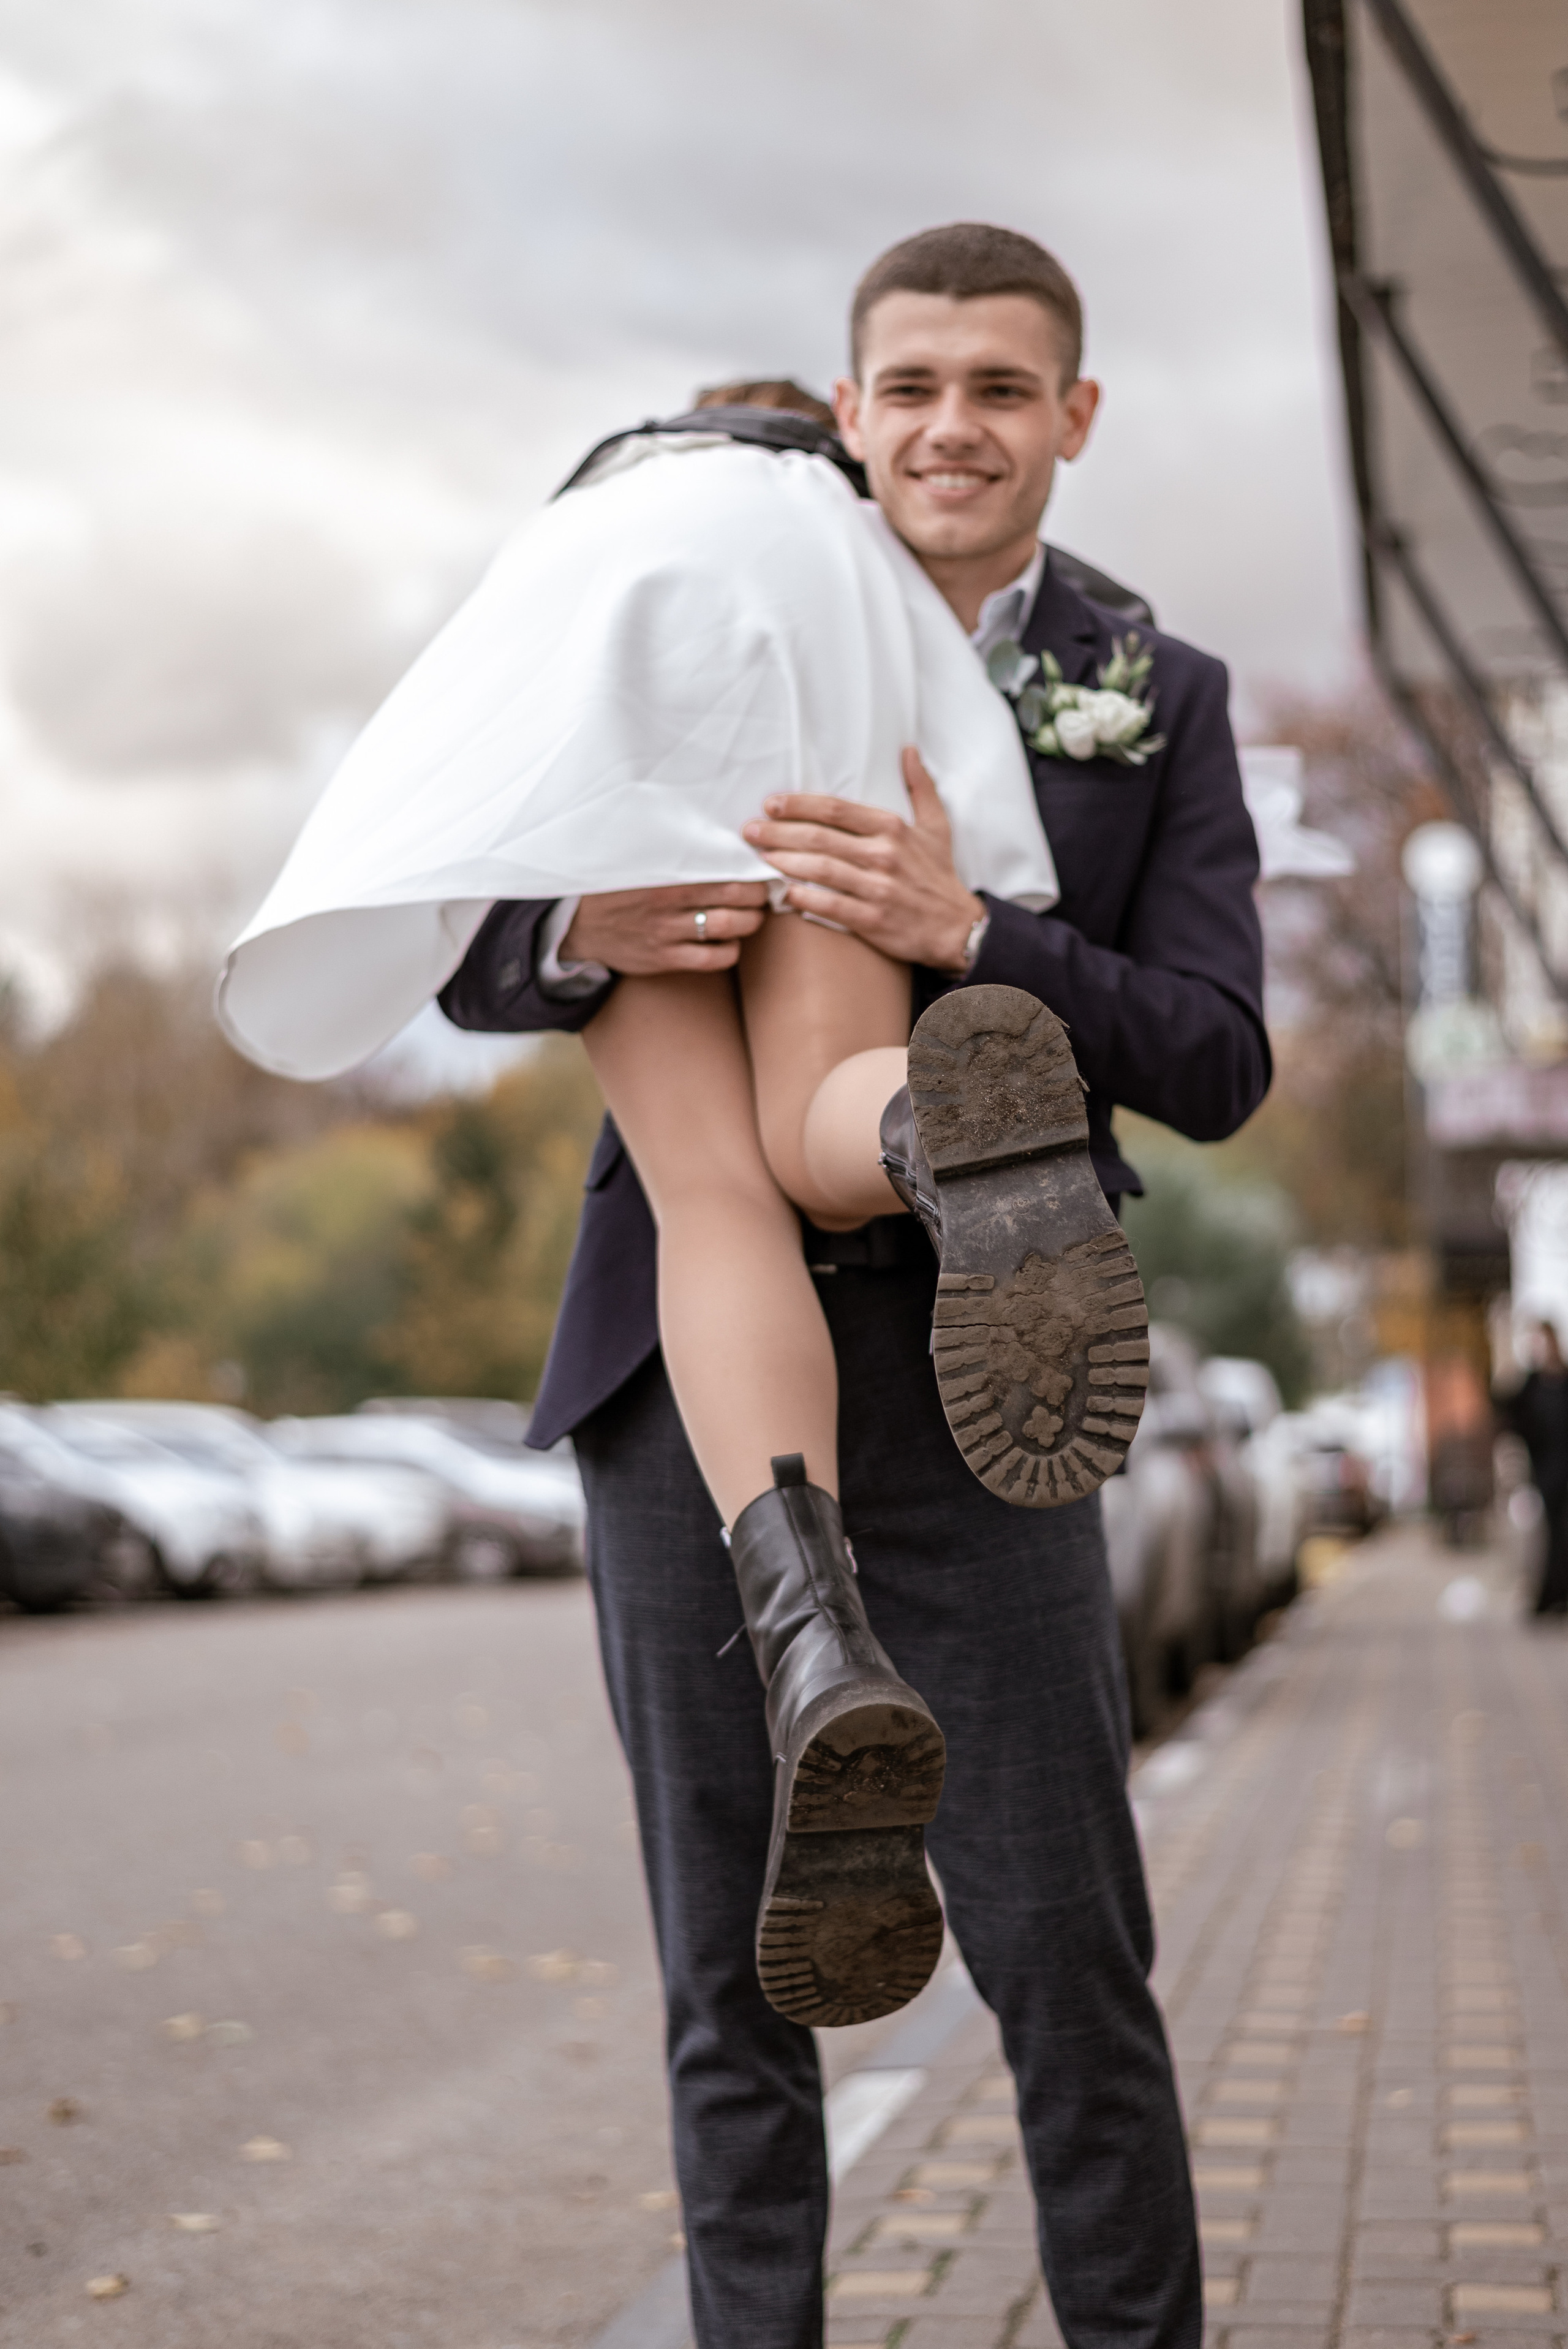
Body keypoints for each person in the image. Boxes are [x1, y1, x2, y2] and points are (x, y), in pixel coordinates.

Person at [440, 223, 1268, 2349]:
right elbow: (469, 943)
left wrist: (985, 929)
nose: (952, 426)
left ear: (1074, 419)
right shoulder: (699, 594)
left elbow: (1216, 1054)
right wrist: (582, 928)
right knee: (736, 1978)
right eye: (912, 386)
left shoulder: (1153, 695)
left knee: (1064, 1957)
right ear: (848, 404)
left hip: (1002, 1367)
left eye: (1002, 388)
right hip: (684, 1404)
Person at [217, 321, 1147, 2033]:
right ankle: (929, 1133)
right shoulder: (849, 543)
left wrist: (572, 908)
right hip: (824, 809)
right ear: (838, 431)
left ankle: (813, 1647)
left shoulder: (596, 524)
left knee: (715, 1198)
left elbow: (464, 792)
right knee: (816, 1119)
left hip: (633, 826)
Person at [1498, 1319, 1568, 1616]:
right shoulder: (1532, 1384)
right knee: (1551, 1534)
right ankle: (1551, 1596)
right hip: (1547, 1468)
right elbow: (1507, 1410)